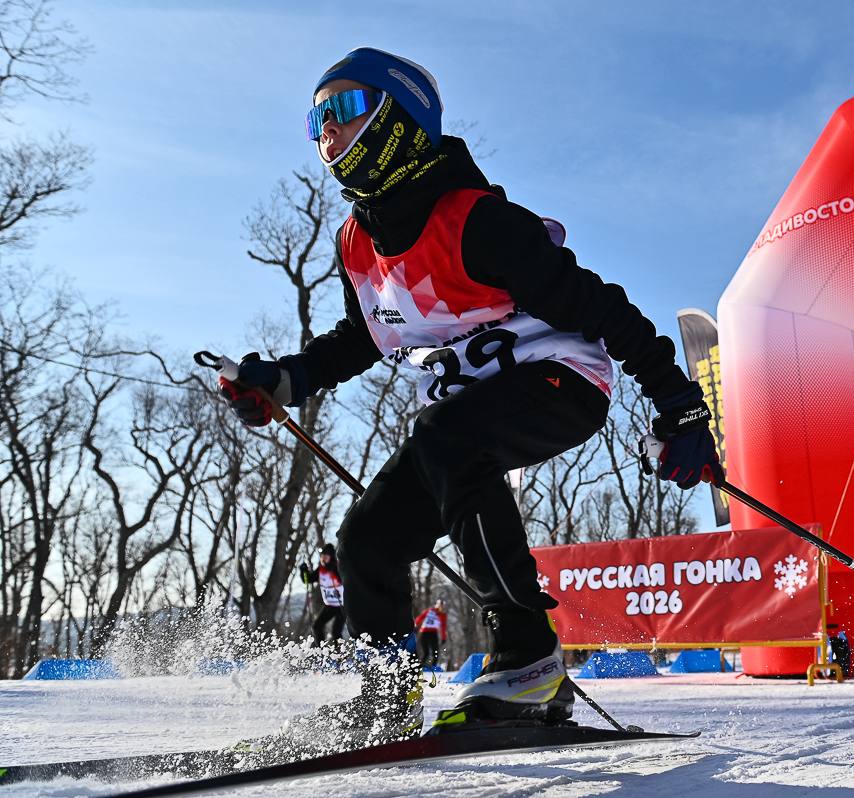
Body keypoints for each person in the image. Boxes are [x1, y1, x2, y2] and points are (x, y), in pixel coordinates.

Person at [217, 47, 721, 743]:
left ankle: (528, 654)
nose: (324, 129)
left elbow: (603, 307)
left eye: (342, 108)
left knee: (445, 436)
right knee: (367, 539)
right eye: (314, 119)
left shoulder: (476, 221)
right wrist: (284, 379)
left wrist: (677, 404)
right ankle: (386, 694)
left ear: (400, 117)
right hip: (462, 424)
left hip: (559, 382)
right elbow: (364, 336)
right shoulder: (359, 244)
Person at [299, 543, 346, 643]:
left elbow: (348, 581)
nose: (323, 559)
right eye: (321, 557)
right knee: (316, 626)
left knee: (336, 632)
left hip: (342, 606)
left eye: (325, 557)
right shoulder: (321, 570)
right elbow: (308, 580)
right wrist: (303, 571)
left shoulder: (338, 568)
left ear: (331, 557)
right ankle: (323, 653)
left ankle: (341, 656)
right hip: (330, 605)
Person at [414, 599, 448, 670]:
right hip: (424, 633)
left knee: (435, 652)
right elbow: (420, 618)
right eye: (440, 606)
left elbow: (443, 627)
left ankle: (433, 667)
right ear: (437, 605)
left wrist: (443, 638)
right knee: (426, 653)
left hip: (433, 633)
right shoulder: (430, 610)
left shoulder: (443, 615)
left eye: (443, 606)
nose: (441, 608)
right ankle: (420, 667)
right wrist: (415, 626)